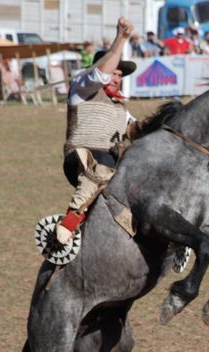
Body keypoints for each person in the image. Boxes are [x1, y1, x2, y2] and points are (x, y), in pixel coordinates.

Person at [55, 17, 138, 245]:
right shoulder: (81, 89)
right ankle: (70, 219)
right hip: (80, 158)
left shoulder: (123, 109)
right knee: (102, 164)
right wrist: (121, 38)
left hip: (110, 165)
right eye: (114, 73)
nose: (117, 78)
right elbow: (101, 75)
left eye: (120, 75)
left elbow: (140, 131)